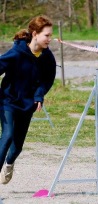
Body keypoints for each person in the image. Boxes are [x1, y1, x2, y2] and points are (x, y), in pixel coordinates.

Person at [0, 15, 56, 184]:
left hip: (28, 104)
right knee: (7, 135)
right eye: (47, 35)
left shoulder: (47, 57)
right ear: (35, 34)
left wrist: (39, 95)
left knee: (17, 147)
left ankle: (9, 164)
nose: (49, 39)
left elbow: (47, 80)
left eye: (50, 35)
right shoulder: (16, 53)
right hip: (8, 101)